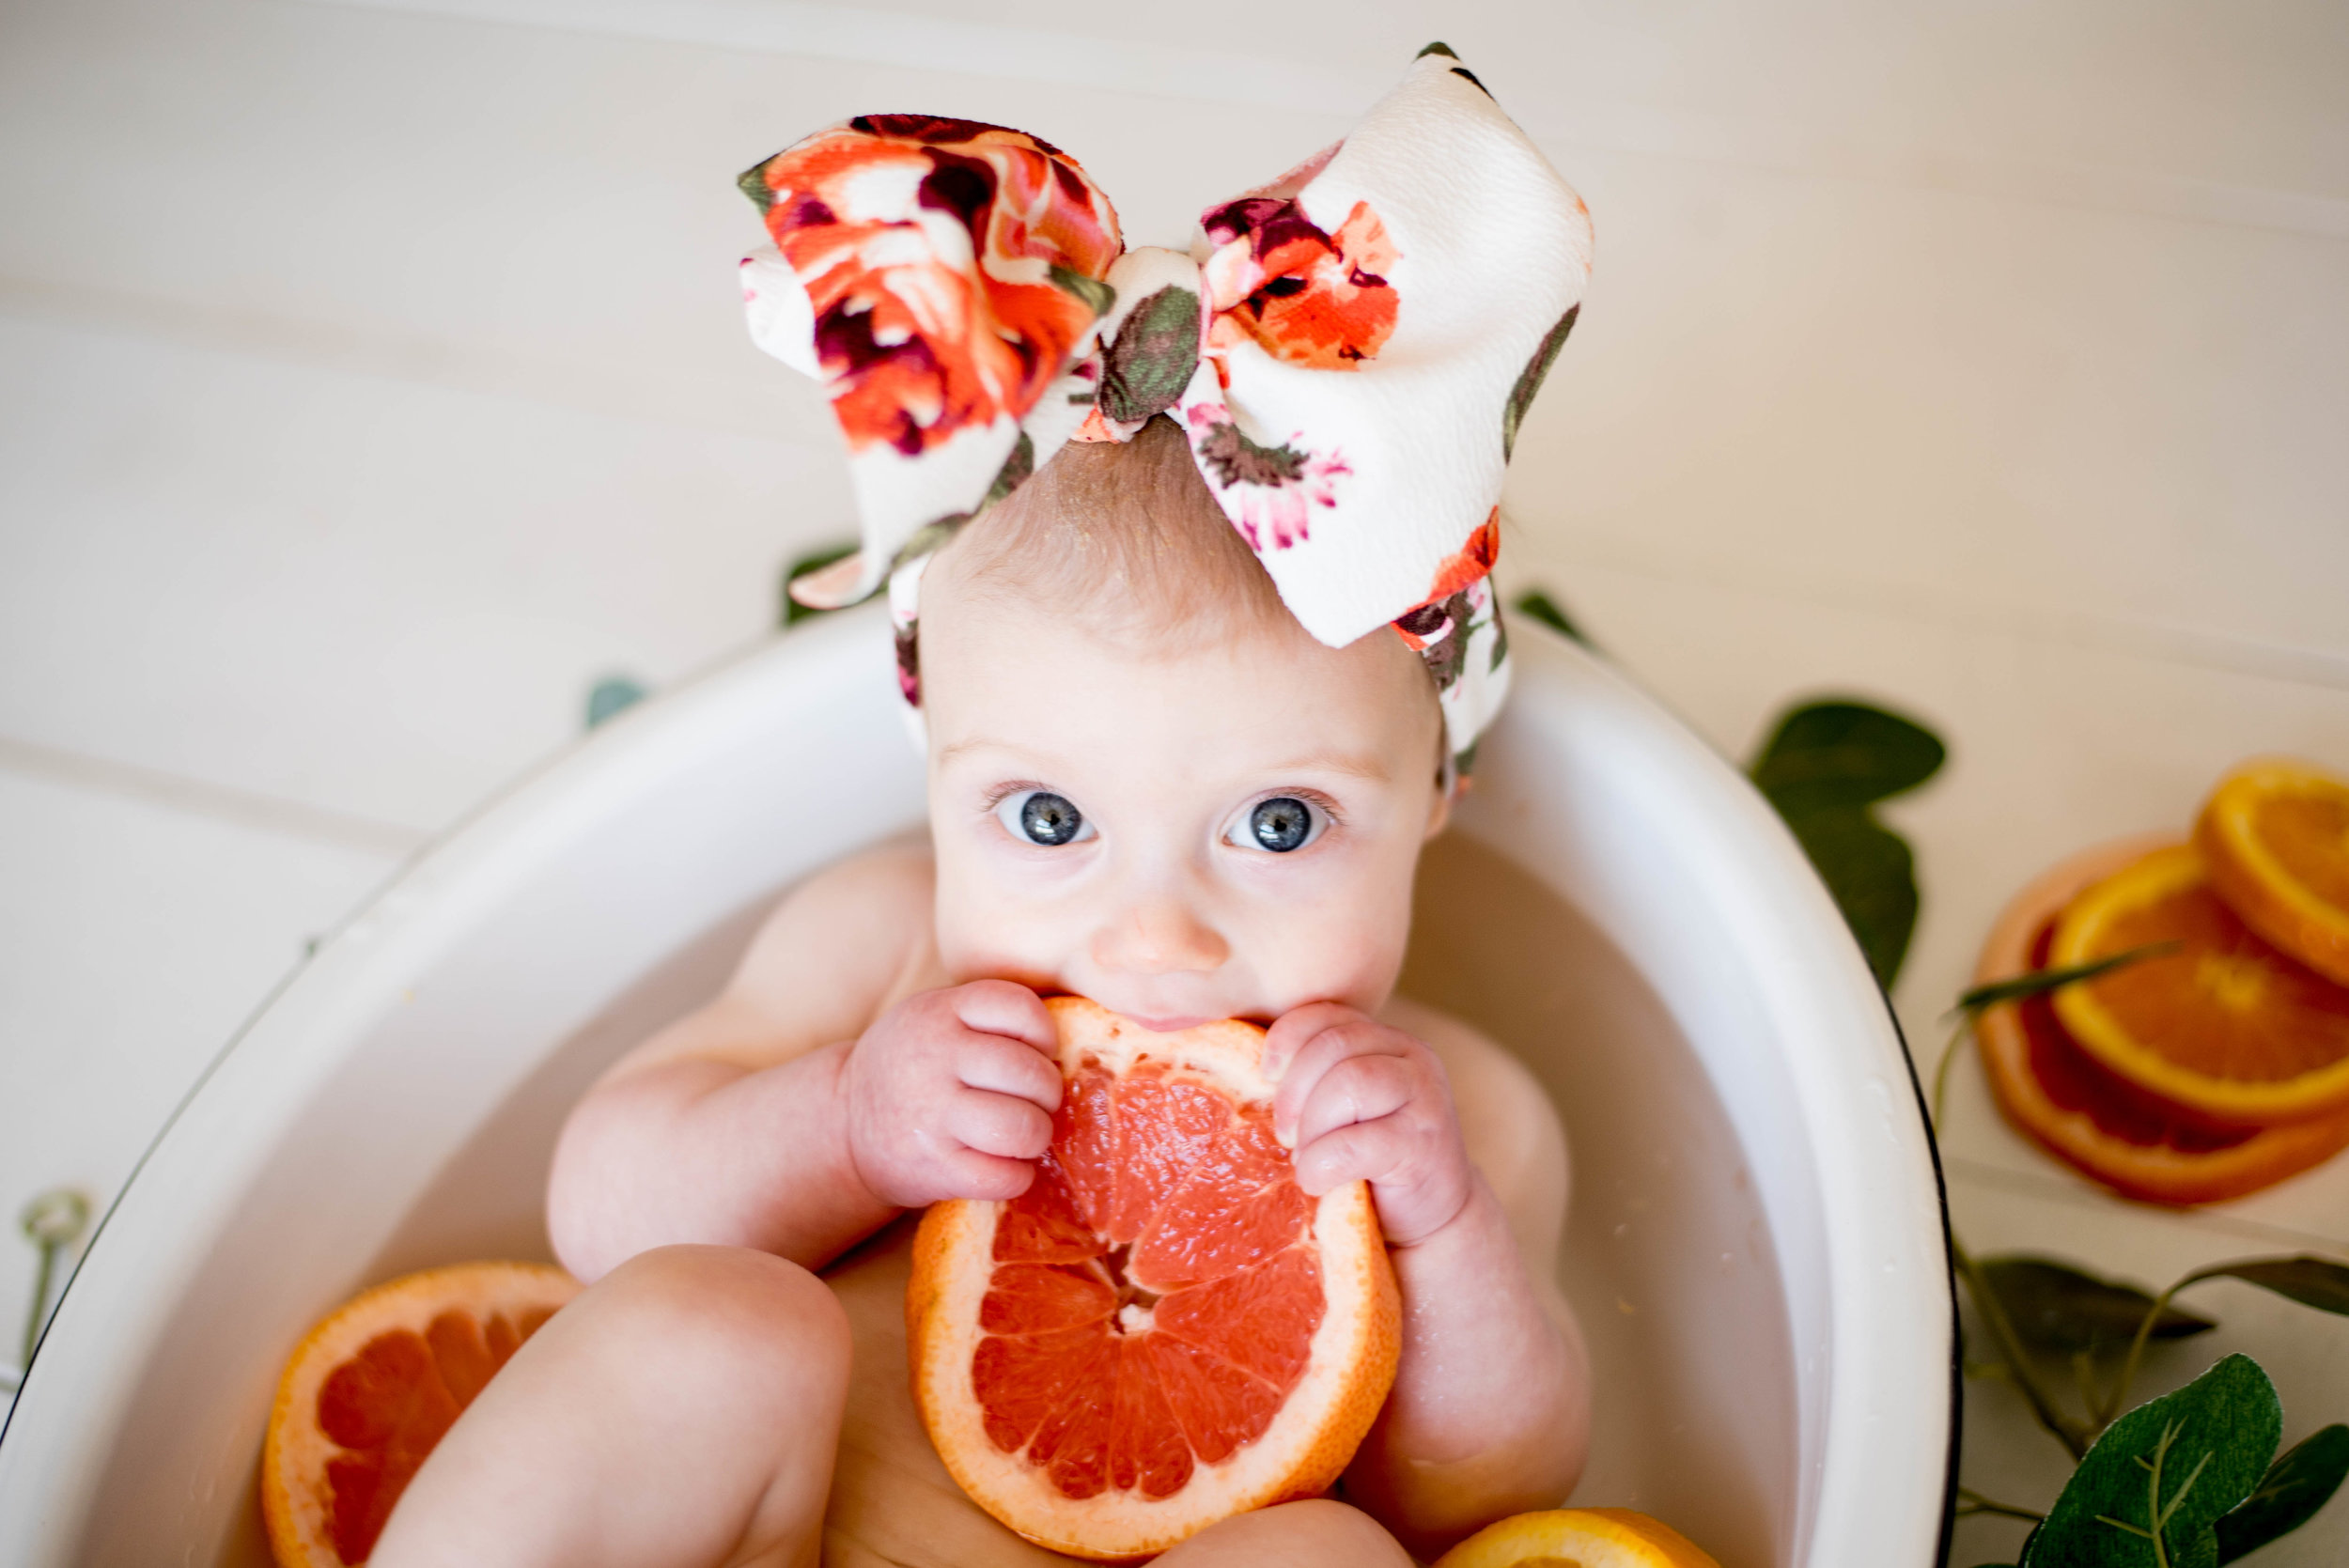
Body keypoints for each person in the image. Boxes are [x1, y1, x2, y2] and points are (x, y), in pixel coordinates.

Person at [374, 45, 1595, 1568]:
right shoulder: (882, 956)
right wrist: (844, 1127)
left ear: (1435, 789)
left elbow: (1477, 1497)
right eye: (1044, 819)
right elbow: (607, 1212)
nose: (1151, 939)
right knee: (706, 1321)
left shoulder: (1453, 1118)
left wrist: (1443, 1227)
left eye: (1278, 825)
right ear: (930, 753)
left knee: (1323, 1557)